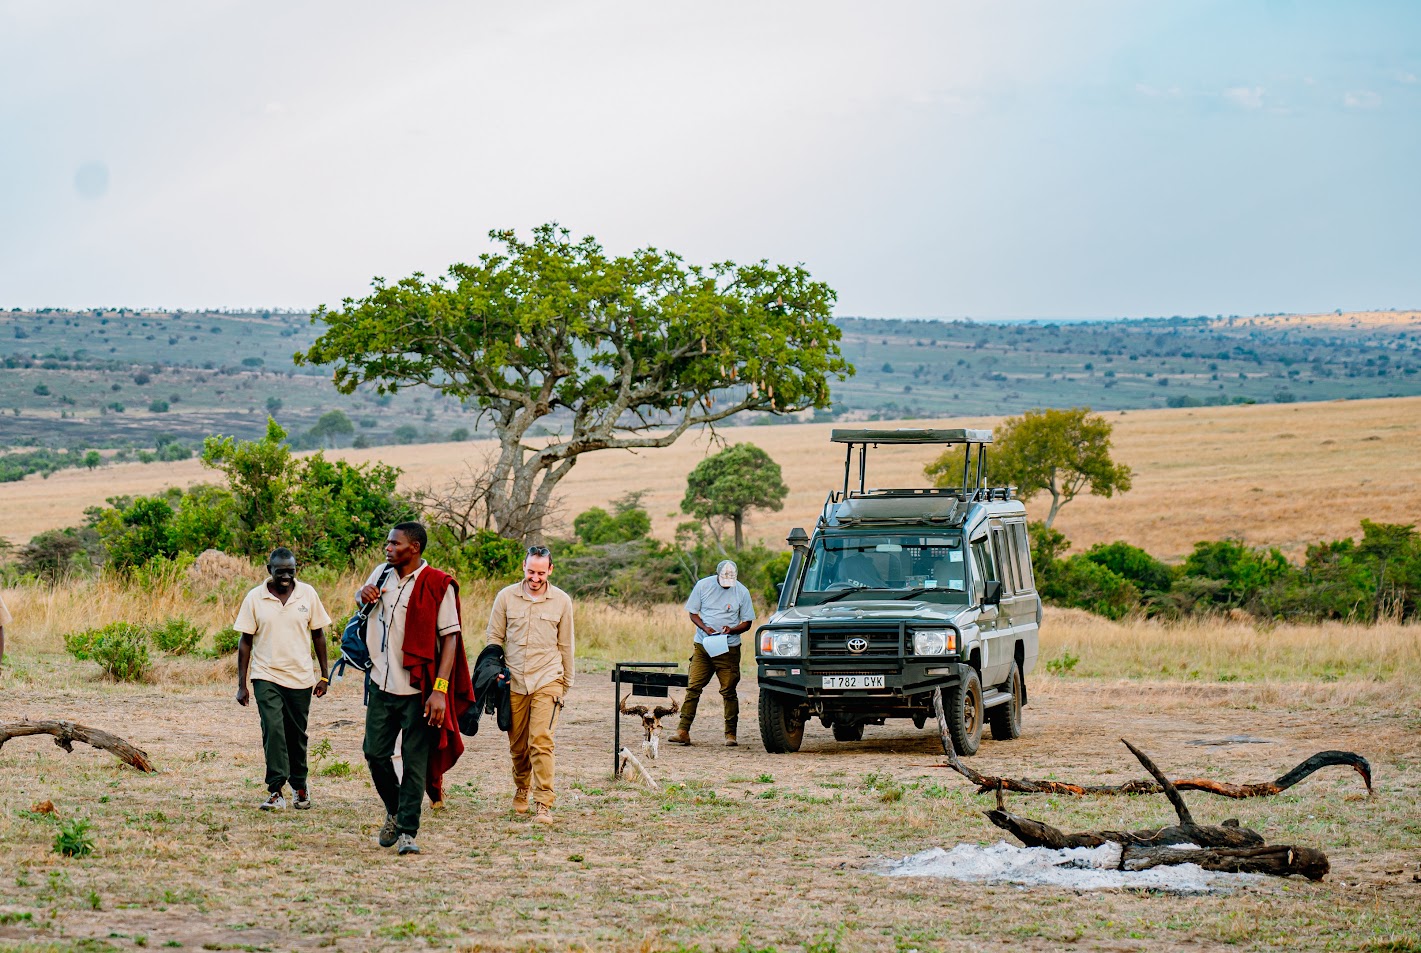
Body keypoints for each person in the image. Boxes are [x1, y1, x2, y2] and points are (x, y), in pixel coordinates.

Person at [357, 521, 472, 856]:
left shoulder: (438, 585)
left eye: (394, 544)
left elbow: (451, 638)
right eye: (387, 543)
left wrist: (440, 689)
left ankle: (408, 830)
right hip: (381, 681)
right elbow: (362, 603)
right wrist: (359, 594)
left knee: (413, 760)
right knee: (374, 753)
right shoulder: (381, 573)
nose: (388, 548)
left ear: (415, 548)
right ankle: (395, 810)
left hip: (419, 689)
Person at [233, 548, 332, 811]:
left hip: (300, 678)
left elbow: (319, 635)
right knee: (273, 731)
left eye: (291, 570)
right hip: (266, 676)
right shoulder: (255, 597)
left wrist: (324, 675)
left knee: (296, 736)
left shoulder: (307, 594)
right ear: (270, 570)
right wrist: (242, 684)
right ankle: (276, 790)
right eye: (281, 571)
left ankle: (300, 785)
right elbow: (245, 641)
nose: (286, 576)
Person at [485, 545, 574, 825]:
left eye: (541, 572)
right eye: (530, 571)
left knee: (541, 741)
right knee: (519, 745)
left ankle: (543, 803)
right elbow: (494, 638)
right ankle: (522, 786)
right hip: (513, 681)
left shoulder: (561, 600)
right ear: (524, 567)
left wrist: (565, 683)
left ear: (550, 570)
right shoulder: (506, 597)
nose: (535, 577)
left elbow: (566, 643)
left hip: (548, 679)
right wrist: (494, 672)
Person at [669, 559, 755, 747]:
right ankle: (683, 731)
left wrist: (732, 630)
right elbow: (693, 613)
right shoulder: (703, 586)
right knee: (693, 687)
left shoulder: (742, 591)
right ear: (717, 575)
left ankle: (730, 734)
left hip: (728, 647)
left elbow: (747, 622)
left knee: (728, 690)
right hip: (704, 644)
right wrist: (705, 628)